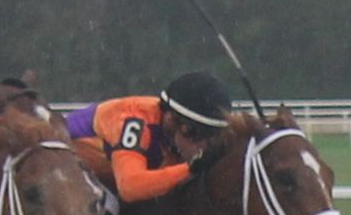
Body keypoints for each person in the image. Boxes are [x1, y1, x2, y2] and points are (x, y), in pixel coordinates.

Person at [66, 71, 232, 205]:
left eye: (211, 137)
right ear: (170, 119)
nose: (202, 147)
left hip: (101, 179)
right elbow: (130, 188)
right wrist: (190, 168)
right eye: (198, 134)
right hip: (59, 168)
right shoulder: (135, 121)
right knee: (108, 208)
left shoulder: (170, 133)